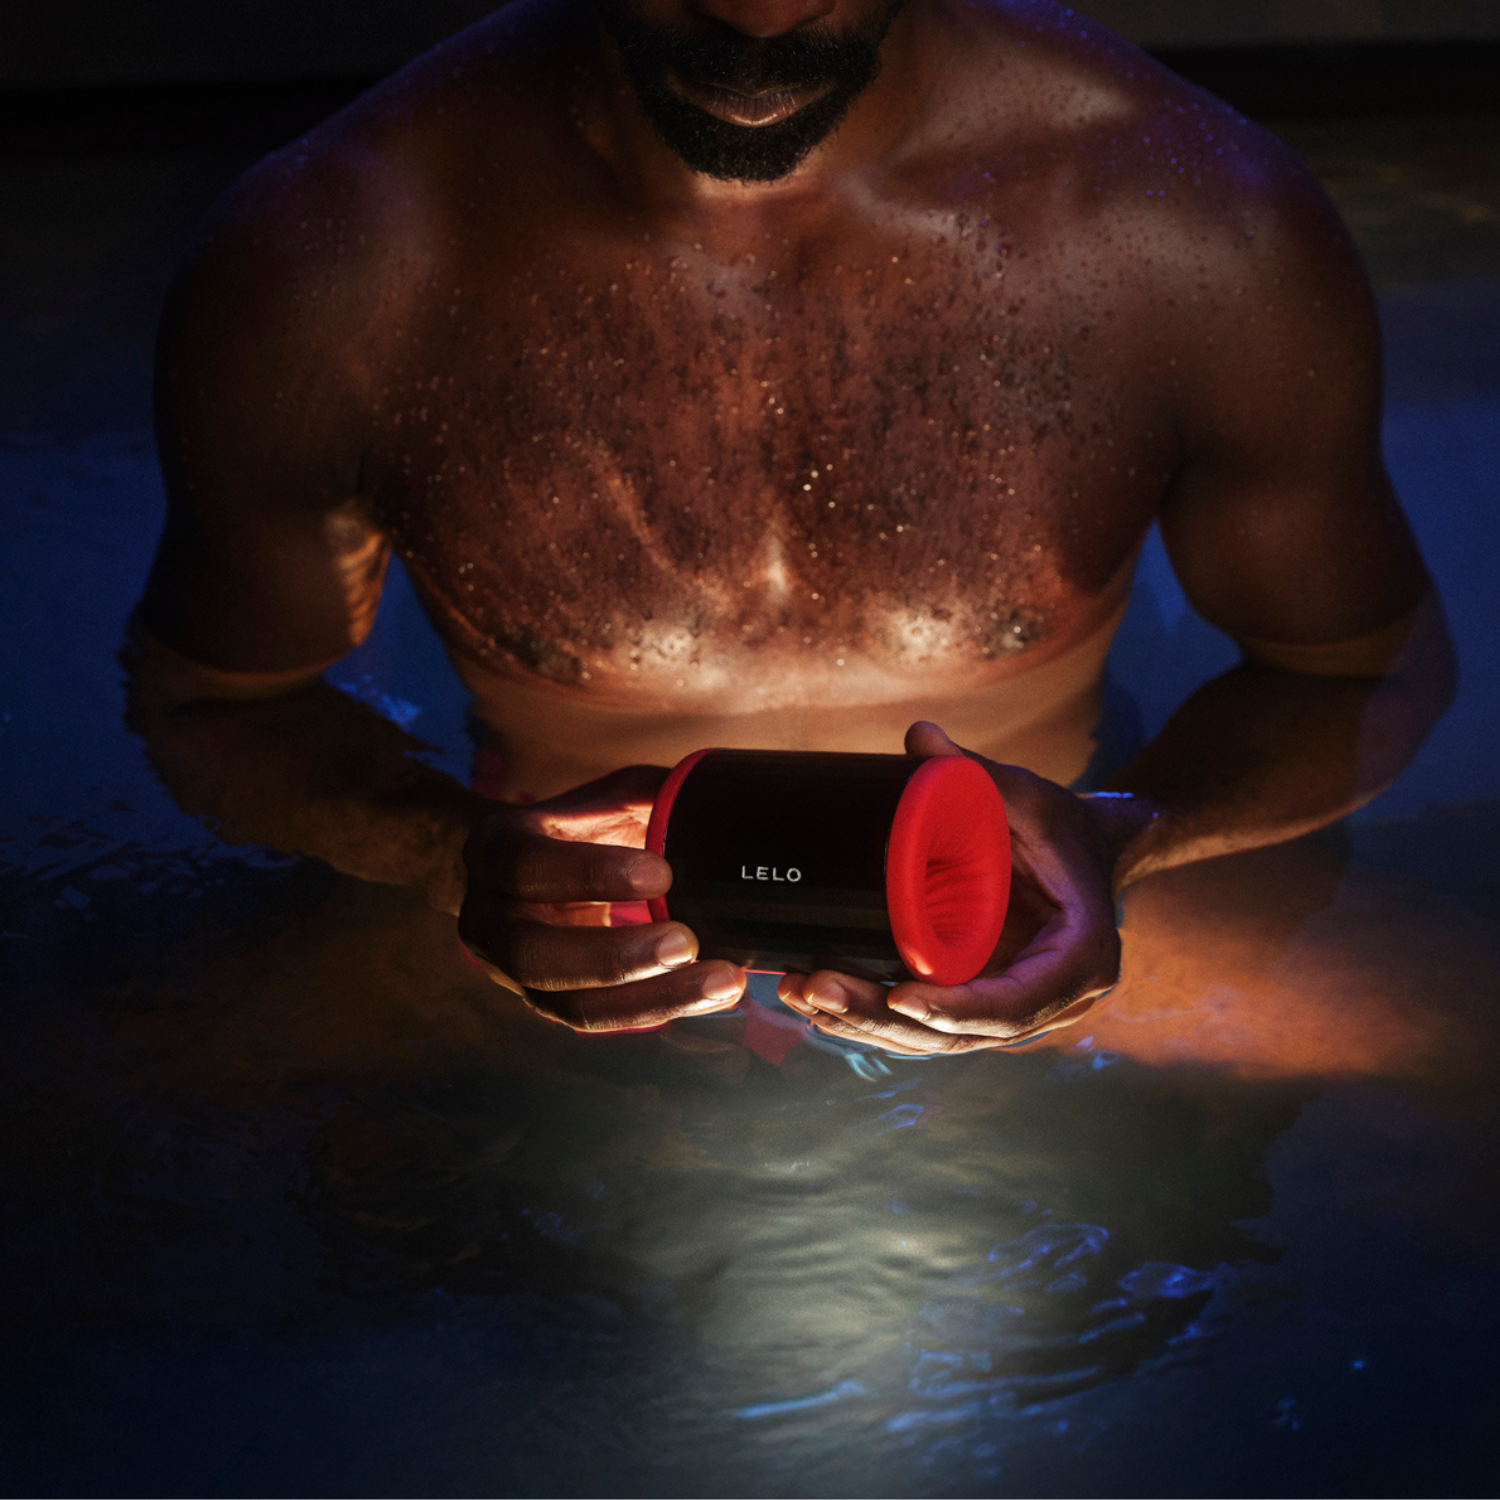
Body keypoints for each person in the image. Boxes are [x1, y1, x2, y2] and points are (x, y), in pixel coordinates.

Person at [125, 0, 1455, 1058]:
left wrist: (1129, 837)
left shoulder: (1191, 228)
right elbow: (212, 703)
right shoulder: (338, 259)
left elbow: (1363, 669)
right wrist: (445, 853)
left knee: (1431, 1111)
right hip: (543, 939)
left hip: (1026, 924)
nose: (757, 16)